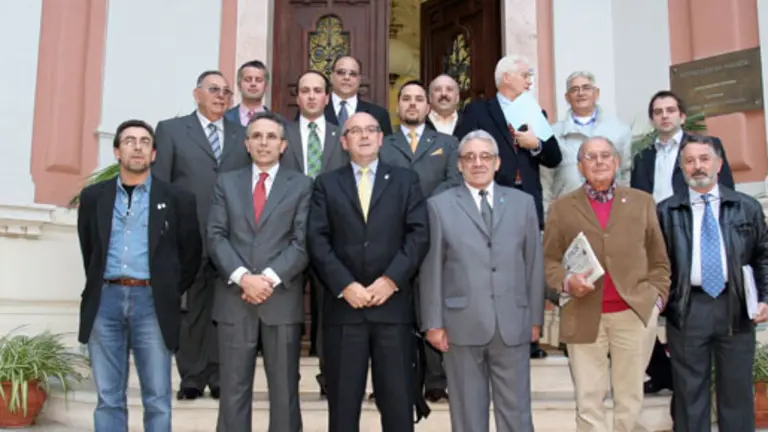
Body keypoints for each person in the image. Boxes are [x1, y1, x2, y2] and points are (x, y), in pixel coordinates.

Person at [307, 112, 430, 432]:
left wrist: (390, 281)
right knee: (344, 409)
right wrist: (345, 285)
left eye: (371, 130)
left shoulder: (406, 180)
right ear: (344, 142)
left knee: (398, 406)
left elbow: (418, 235)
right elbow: (317, 240)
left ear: (380, 139)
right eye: (355, 131)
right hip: (345, 310)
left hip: (392, 309)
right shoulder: (326, 184)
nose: (363, 136)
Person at [77, 120, 201, 431]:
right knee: (108, 397)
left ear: (154, 153)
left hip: (153, 303)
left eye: (145, 141)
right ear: (117, 151)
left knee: (157, 397)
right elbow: (90, 249)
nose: (137, 146)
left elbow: (191, 254)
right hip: (105, 301)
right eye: (130, 141)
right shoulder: (93, 198)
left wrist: (167, 289)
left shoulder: (178, 199)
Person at [420, 129, 545, 431]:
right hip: (460, 323)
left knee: (516, 414)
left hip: (513, 323)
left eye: (485, 156)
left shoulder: (523, 203)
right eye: (469, 157)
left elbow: (533, 264)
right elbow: (431, 267)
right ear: (459, 164)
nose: (478, 163)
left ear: (498, 162)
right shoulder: (439, 206)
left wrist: (535, 317)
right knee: (467, 417)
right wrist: (433, 322)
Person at [543, 136, 670, 431]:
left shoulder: (642, 202)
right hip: (583, 312)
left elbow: (659, 260)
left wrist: (656, 300)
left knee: (630, 398)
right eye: (591, 157)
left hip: (633, 313)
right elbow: (549, 261)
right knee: (588, 399)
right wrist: (565, 281)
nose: (599, 162)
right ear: (580, 166)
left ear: (615, 162)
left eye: (605, 156)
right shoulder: (562, 208)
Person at [207, 111, 311, 431]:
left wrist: (267, 280)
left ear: (283, 145)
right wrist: (243, 278)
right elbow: (215, 236)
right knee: (234, 392)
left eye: (271, 137)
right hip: (234, 299)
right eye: (257, 136)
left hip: (280, 300)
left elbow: (302, 241)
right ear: (247, 144)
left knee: (284, 393)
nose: (263, 142)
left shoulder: (302, 185)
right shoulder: (226, 182)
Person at [657, 135, 768, 432]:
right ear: (681, 168)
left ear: (718, 164)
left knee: (737, 392)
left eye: (704, 159)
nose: (697, 167)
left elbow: (764, 257)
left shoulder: (747, 207)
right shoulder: (665, 211)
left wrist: (765, 299)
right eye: (689, 161)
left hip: (736, 306)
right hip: (687, 308)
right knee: (689, 394)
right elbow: (656, 264)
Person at [153, 70, 249, 400]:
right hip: (187, 236)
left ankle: (221, 375)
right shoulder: (171, 130)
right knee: (191, 310)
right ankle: (192, 377)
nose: (221, 96)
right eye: (213, 90)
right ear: (197, 94)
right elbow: (160, 185)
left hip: (233, 238)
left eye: (226, 91)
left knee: (227, 311)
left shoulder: (243, 135)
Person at [380, 79, 461, 403]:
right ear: (397, 108)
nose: (412, 104)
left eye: (418, 99)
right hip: (392, 237)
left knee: (433, 305)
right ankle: (398, 380)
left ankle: (437, 379)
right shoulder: (383, 144)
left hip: (435, 234)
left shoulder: (447, 142)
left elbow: (454, 181)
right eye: (406, 99)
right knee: (396, 310)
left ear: (428, 107)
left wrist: (422, 207)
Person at [281, 70, 349, 397]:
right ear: (298, 97)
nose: (311, 96)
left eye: (317, 90)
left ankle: (329, 378)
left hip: (331, 236)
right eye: (305, 90)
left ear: (327, 97)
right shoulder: (280, 136)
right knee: (287, 312)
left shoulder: (343, 137)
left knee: (329, 312)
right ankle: (286, 378)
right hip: (285, 236)